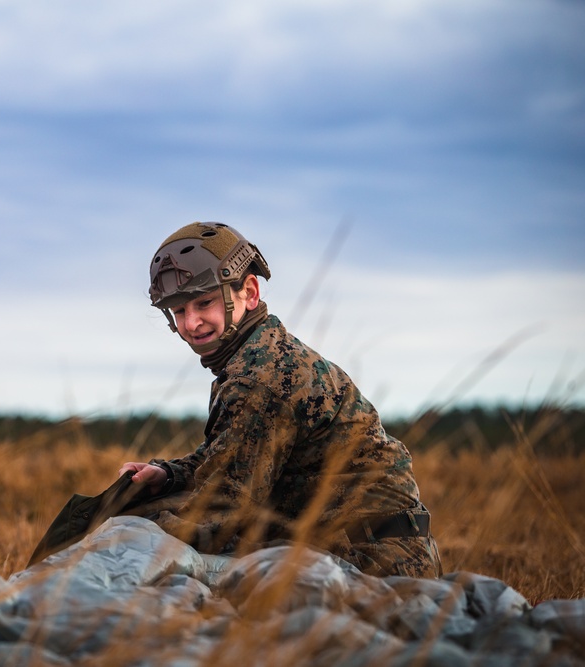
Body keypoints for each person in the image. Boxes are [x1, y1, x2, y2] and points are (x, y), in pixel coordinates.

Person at [119, 222, 442, 578]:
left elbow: (221, 514)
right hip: (356, 551)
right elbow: (226, 455)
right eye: (179, 311)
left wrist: (131, 524)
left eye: (204, 302)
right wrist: (167, 475)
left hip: (375, 565)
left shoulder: (261, 375)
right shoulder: (254, 357)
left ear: (250, 293)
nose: (192, 323)